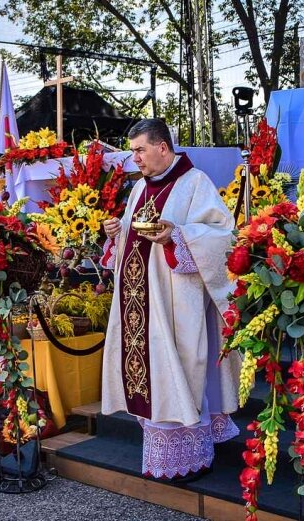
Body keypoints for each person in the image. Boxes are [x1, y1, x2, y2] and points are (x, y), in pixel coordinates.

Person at [100, 118, 241, 482]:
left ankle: (192, 453)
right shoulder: (139, 190)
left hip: (179, 303)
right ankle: (166, 453)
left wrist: (177, 237)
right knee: (154, 376)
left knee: (181, 369)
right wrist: (116, 233)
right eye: (133, 152)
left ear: (163, 147)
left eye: (140, 150)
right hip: (140, 305)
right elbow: (130, 246)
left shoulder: (195, 184)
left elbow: (224, 237)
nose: (136, 160)